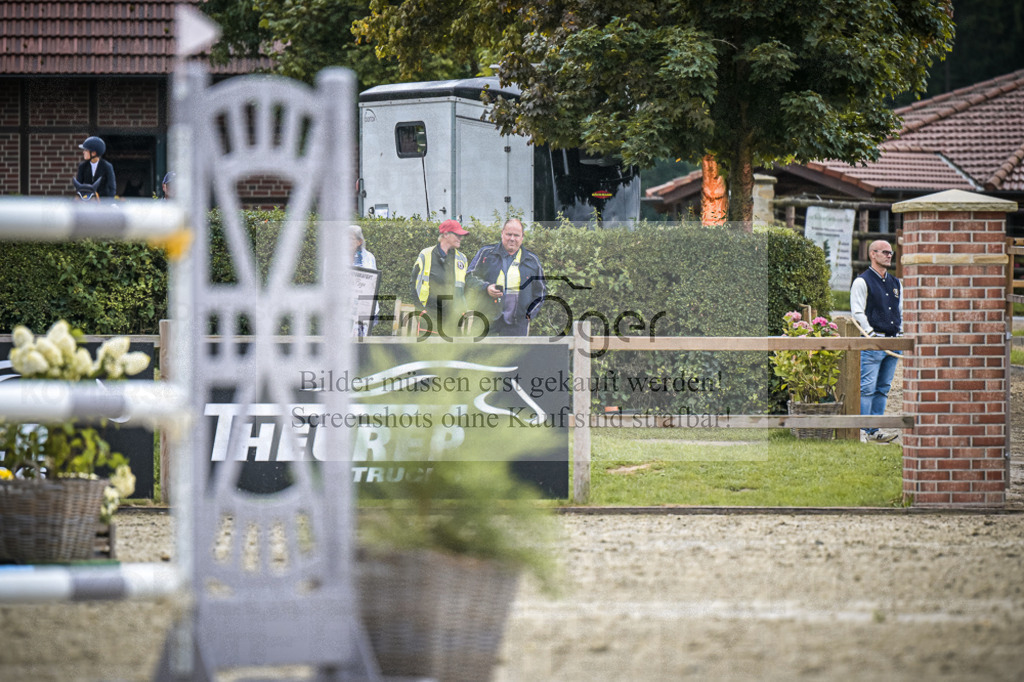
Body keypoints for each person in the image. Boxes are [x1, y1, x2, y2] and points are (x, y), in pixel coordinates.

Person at [851, 239, 903, 444]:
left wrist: (901, 333)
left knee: (883, 387)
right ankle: (862, 429)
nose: (889, 255)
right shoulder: (862, 281)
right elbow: (857, 312)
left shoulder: (896, 283)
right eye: (885, 252)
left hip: (892, 341)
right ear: (872, 254)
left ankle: (875, 429)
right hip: (873, 343)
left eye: (891, 252)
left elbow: (901, 311)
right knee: (867, 387)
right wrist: (871, 335)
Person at [468, 218, 546, 336]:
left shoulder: (532, 260)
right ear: (502, 234)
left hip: (517, 324)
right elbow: (469, 277)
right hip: (485, 319)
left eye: (516, 235)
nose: (512, 238)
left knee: (515, 355)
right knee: (481, 354)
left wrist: (528, 315)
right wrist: (486, 287)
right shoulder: (485, 253)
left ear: (522, 237)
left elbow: (540, 293)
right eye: (509, 234)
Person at [410, 219, 487, 338]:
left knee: (451, 354)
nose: (460, 238)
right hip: (430, 313)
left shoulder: (462, 259)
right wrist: (420, 309)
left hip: (453, 317)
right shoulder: (425, 254)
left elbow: (464, 286)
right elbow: (413, 283)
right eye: (457, 235)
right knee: (429, 353)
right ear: (445, 234)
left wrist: (463, 308)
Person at [351, 224, 378, 337]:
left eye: (350, 239)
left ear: (359, 242)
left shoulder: (369, 258)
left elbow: (373, 281)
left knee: (362, 343)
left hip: (364, 307)